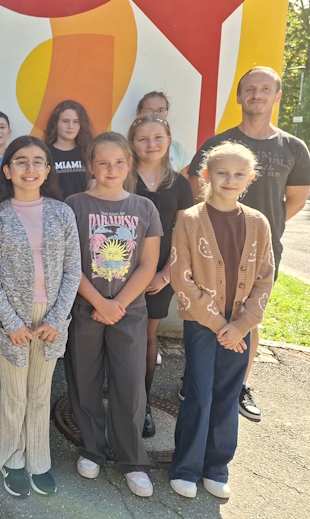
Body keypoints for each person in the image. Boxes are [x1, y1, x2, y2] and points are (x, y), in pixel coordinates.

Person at [186, 66, 310, 422]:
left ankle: (238, 384)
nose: (257, 94)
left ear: (277, 96)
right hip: (213, 246)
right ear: (239, 97)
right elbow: (196, 189)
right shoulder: (218, 144)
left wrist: (260, 230)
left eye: (265, 89)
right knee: (206, 310)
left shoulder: (293, 147)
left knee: (248, 317)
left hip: (259, 252)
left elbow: (296, 199)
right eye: (251, 89)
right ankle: (196, 380)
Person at [169, 141, 274, 499]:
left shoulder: (258, 223)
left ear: (250, 179)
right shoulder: (189, 219)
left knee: (228, 394)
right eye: (222, 173)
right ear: (206, 175)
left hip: (240, 325)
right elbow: (181, 276)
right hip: (203, 323)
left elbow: (265, 278)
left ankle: (216, 468)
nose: (230, 180)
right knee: (199, 393)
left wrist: (241, 325)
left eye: (239, 174)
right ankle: (186, 468)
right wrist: (219, 325)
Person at [0, 136, 82, 497]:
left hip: (51, 318)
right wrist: (11, 322)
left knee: (39, 393)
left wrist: (57, 319)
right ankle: (12, 458)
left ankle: (39, 461)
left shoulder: (62, 213)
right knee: (14, 395)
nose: (30, 168)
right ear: (7, 170)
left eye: (38, 161)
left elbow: (73, 270)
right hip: (12, 320)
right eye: (21, 161)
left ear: (47, 170)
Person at [64, 132, 162, 498]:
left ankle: (132, 459)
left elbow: (148, 264)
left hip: (129, 311)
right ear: (90, 165)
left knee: (130, 384)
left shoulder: (144, 208)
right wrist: (98, 302)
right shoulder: (74, 205)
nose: (111, 169)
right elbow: (68, 263)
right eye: (103, 162)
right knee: (84, 379)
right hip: (85, 307)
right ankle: (91, 448)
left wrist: (117, 303)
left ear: (129, 164)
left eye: (119, 162)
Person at [128, 114, 194, 437]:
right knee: (118, 336)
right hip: (120, 272)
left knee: (147, 335)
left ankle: (142, 403)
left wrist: (166, 275)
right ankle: (117, 400)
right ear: (132, 144)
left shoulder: (180, 184)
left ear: (169, 141)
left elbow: (184, 235)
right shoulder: (122, 178)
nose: (151, 144)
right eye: (143, 138)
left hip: (160, 275)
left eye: (158, 137)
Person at [44, 100, 94, 198]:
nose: (70, 126)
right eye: (65, 121)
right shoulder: (44, 154)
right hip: (54, 207)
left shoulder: (89, 153)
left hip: (82, 206)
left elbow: (94, 187)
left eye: (76, 122)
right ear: (55, 123)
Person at [135, 92, 191, 173]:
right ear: (139, 114)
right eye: (148, 111)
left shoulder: (177, 148)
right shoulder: (132, 147)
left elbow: (183, 179)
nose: (155, 115)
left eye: (161, 110)